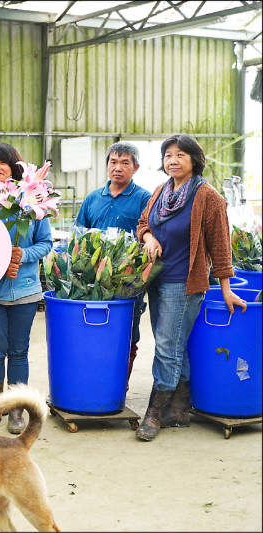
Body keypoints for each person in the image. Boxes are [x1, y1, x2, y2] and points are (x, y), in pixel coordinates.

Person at [135, 134, 246, 442]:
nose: (173, 160)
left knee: (167, 347)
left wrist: (225, 288)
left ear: (194, 160)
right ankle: (179, 408)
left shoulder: (207, 196)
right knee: (173, 344)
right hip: (157, 279)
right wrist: (149, 238)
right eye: (168, 154)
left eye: (180, 155)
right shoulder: (162, 190)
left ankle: (154, 413)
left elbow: (221, 247)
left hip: (184, 283)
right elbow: (143, 222)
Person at [0, 143, 52, 434]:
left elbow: (46, 243)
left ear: (14, 166)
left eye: (2, 162)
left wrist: (22, 255)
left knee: (18, 352)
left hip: (25, 290)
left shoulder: (33, 200)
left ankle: (16, 410)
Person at [75, 142, 152, 388]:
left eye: (125, 163)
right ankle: (94, 379)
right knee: (94, 328)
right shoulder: (92, 198)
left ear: (136, 167)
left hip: (128, 281)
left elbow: (150, 233)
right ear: (107, 165)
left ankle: (119, 385)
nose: (117, 168)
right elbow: (79, 236)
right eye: (113, 162)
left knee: (128, 333)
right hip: (93, 282)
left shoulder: (144, 198)